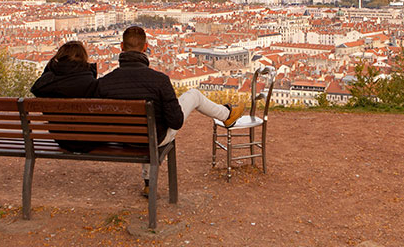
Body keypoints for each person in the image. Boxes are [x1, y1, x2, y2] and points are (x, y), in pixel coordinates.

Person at [97, 25, 245, 196]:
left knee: (145, 127)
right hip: (155, 138)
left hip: (121, 139)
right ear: (146, 47)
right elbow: (176, 121)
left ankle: (148, 182)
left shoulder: (105, 82)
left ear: (121, 47)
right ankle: (226, 114)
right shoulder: (159, 81)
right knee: (193, 96)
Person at [30, 40, 100, 152]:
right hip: (90, 140)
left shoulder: (46, 83)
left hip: (61, 137)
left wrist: (49, 70)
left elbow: (36, 89)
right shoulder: (90, 82)